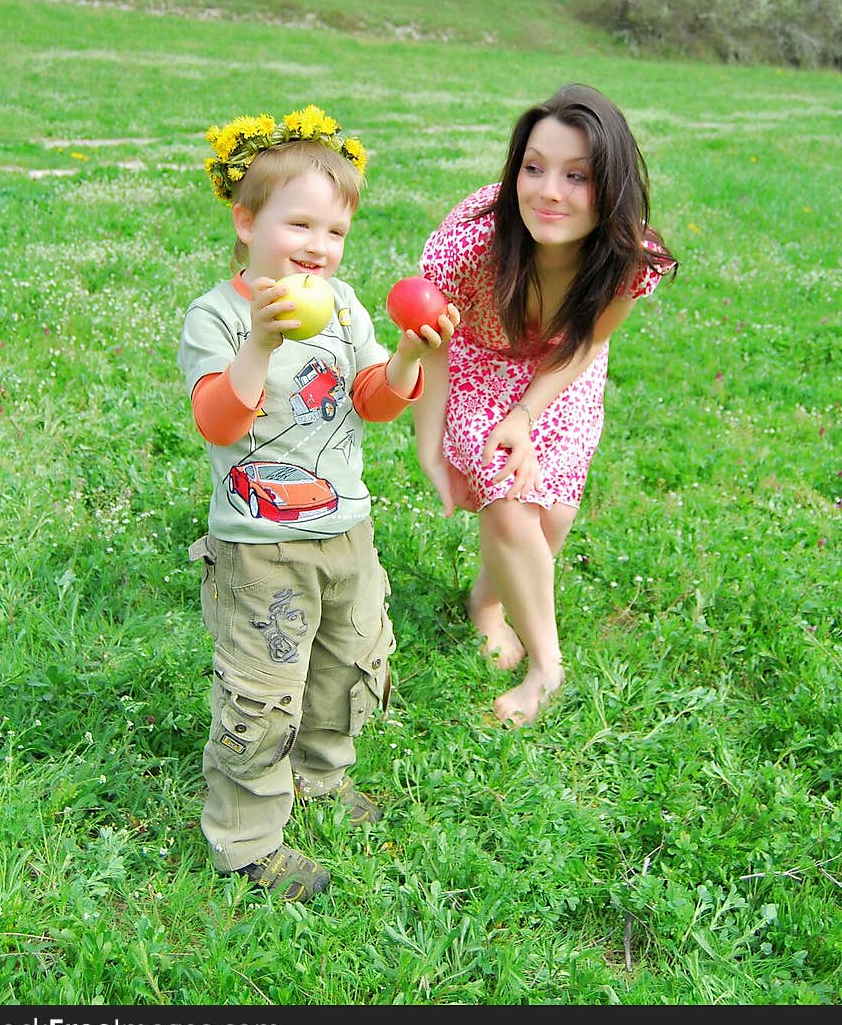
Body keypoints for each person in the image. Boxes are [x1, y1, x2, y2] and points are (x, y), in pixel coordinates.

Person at [179, 104, 458, 901]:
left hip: (347, 528)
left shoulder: (341, 306)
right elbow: (218, 417)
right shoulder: (221, 316)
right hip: (261, 543)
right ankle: (247, 839)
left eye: (334, 231)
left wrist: (407, 353)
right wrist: (262, 343)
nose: (318, 247)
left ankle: (322, 778)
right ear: (245, 219)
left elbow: (373, 400)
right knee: (261, 688)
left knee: (348, 662)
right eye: (299, 223)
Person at [412, 83, 677, 728]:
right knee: (508, 505)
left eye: (576, 176)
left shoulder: (627, 257)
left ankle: (486, 599)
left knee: (551, 517)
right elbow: (431, 345)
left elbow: (587, 341)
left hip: (564, 367)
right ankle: (547, 668)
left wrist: (527, 415)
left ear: (610, 188)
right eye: (533, 167)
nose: (548, 191)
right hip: (479, 358)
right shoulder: (470, 245)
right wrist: (431, 446)